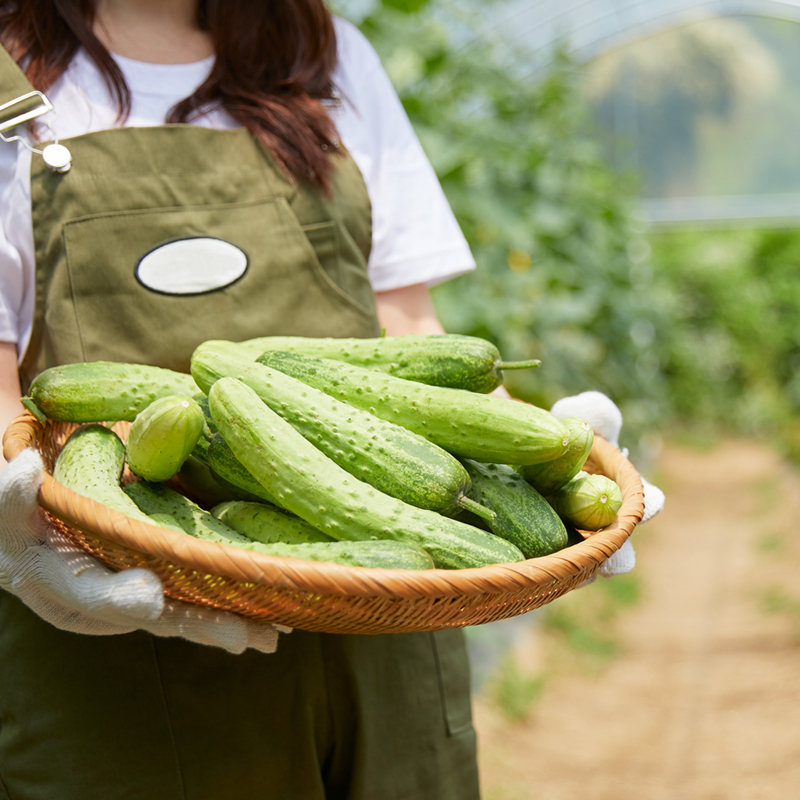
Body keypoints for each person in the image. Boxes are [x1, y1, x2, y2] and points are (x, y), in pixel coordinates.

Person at [0, 2, 663, 797]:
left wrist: (531, 460)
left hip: (398, 620)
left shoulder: (330, 56)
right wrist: (26, 539)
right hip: (120, 648)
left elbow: (409, 328)